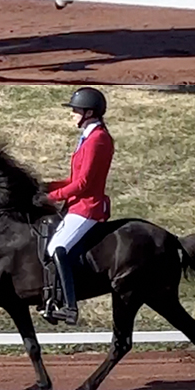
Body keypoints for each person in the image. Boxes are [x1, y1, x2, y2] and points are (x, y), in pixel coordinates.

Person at [42, 87, 115, 325]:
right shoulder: (88, 136)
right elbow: (74, 179)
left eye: (76, 110)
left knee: (57, 247)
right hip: (76, 203)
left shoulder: (98, 139)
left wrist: (52, 197)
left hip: (87, 207)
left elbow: (83, 184)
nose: (72, 114)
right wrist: (45, 186)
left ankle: (70, 307)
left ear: (89, 112)